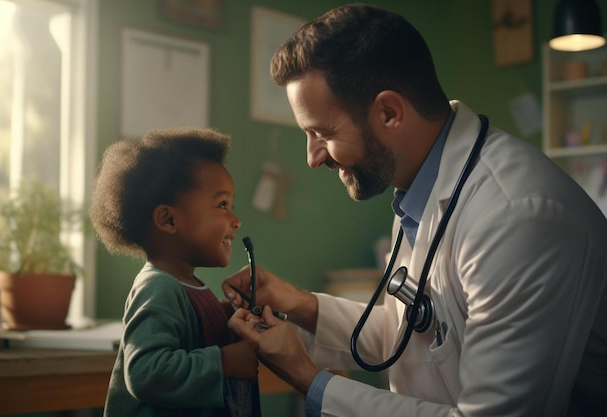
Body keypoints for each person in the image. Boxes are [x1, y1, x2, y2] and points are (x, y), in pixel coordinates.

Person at [223, 4, 607, 416]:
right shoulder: (423, 184)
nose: (313, 158)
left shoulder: (517, 218)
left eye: (323, 133)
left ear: (390, 113)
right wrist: (300, 304)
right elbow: (414, 333)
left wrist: (309, 379)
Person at [90, 127, 261, 417]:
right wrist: (224, 362)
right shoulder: (158, 287)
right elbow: (146, 372)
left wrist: (226, 321)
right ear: (168, 219)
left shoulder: (187, 285)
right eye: (222, 205)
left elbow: (189, 341)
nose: (236, 220)